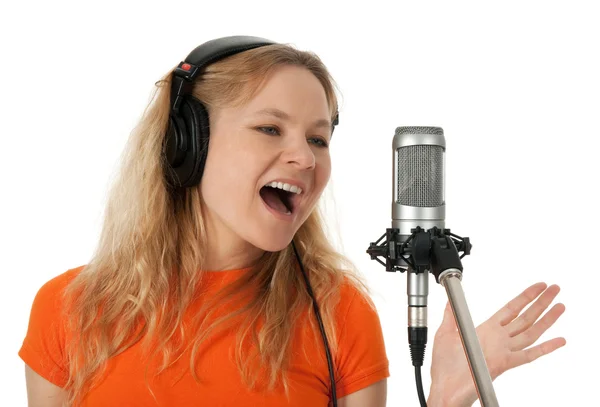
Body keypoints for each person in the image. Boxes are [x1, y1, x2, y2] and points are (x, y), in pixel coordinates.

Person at [18, 36, 566, 407]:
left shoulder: (338, 313)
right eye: (270, 129)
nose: (305, 158)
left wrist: (445, 395)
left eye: (319, 138)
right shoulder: (68, 311)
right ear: (186, 145)